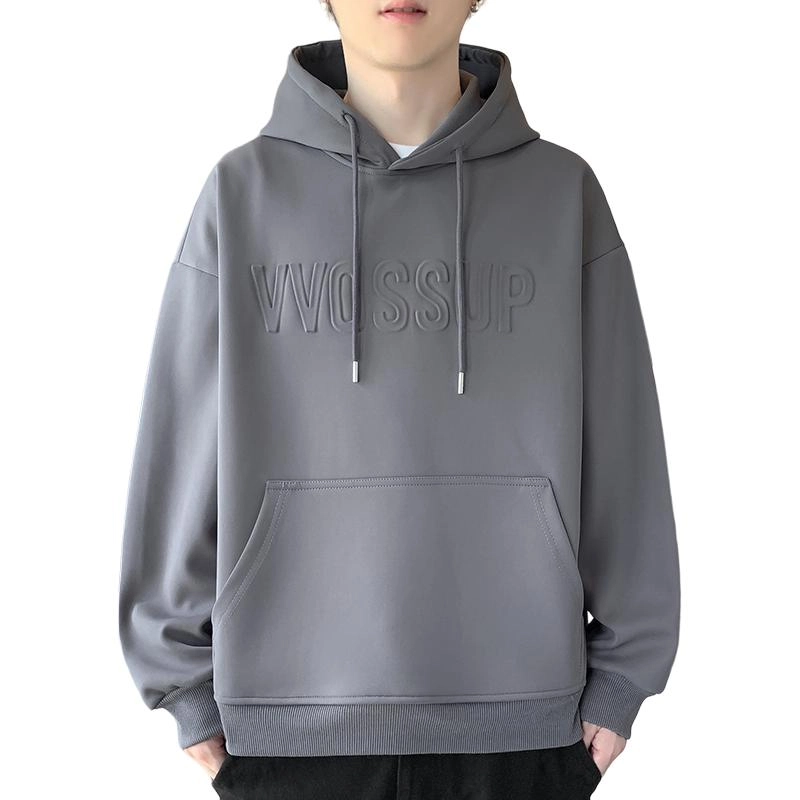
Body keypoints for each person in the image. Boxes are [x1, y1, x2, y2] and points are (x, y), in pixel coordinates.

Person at [118, 1, 681, 798]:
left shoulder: (563, 194)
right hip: (286, 729)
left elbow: (624, 444)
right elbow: (180, 445)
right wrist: (183, 688)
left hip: (526, 727)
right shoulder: (242, 193)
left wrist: (623, 679)